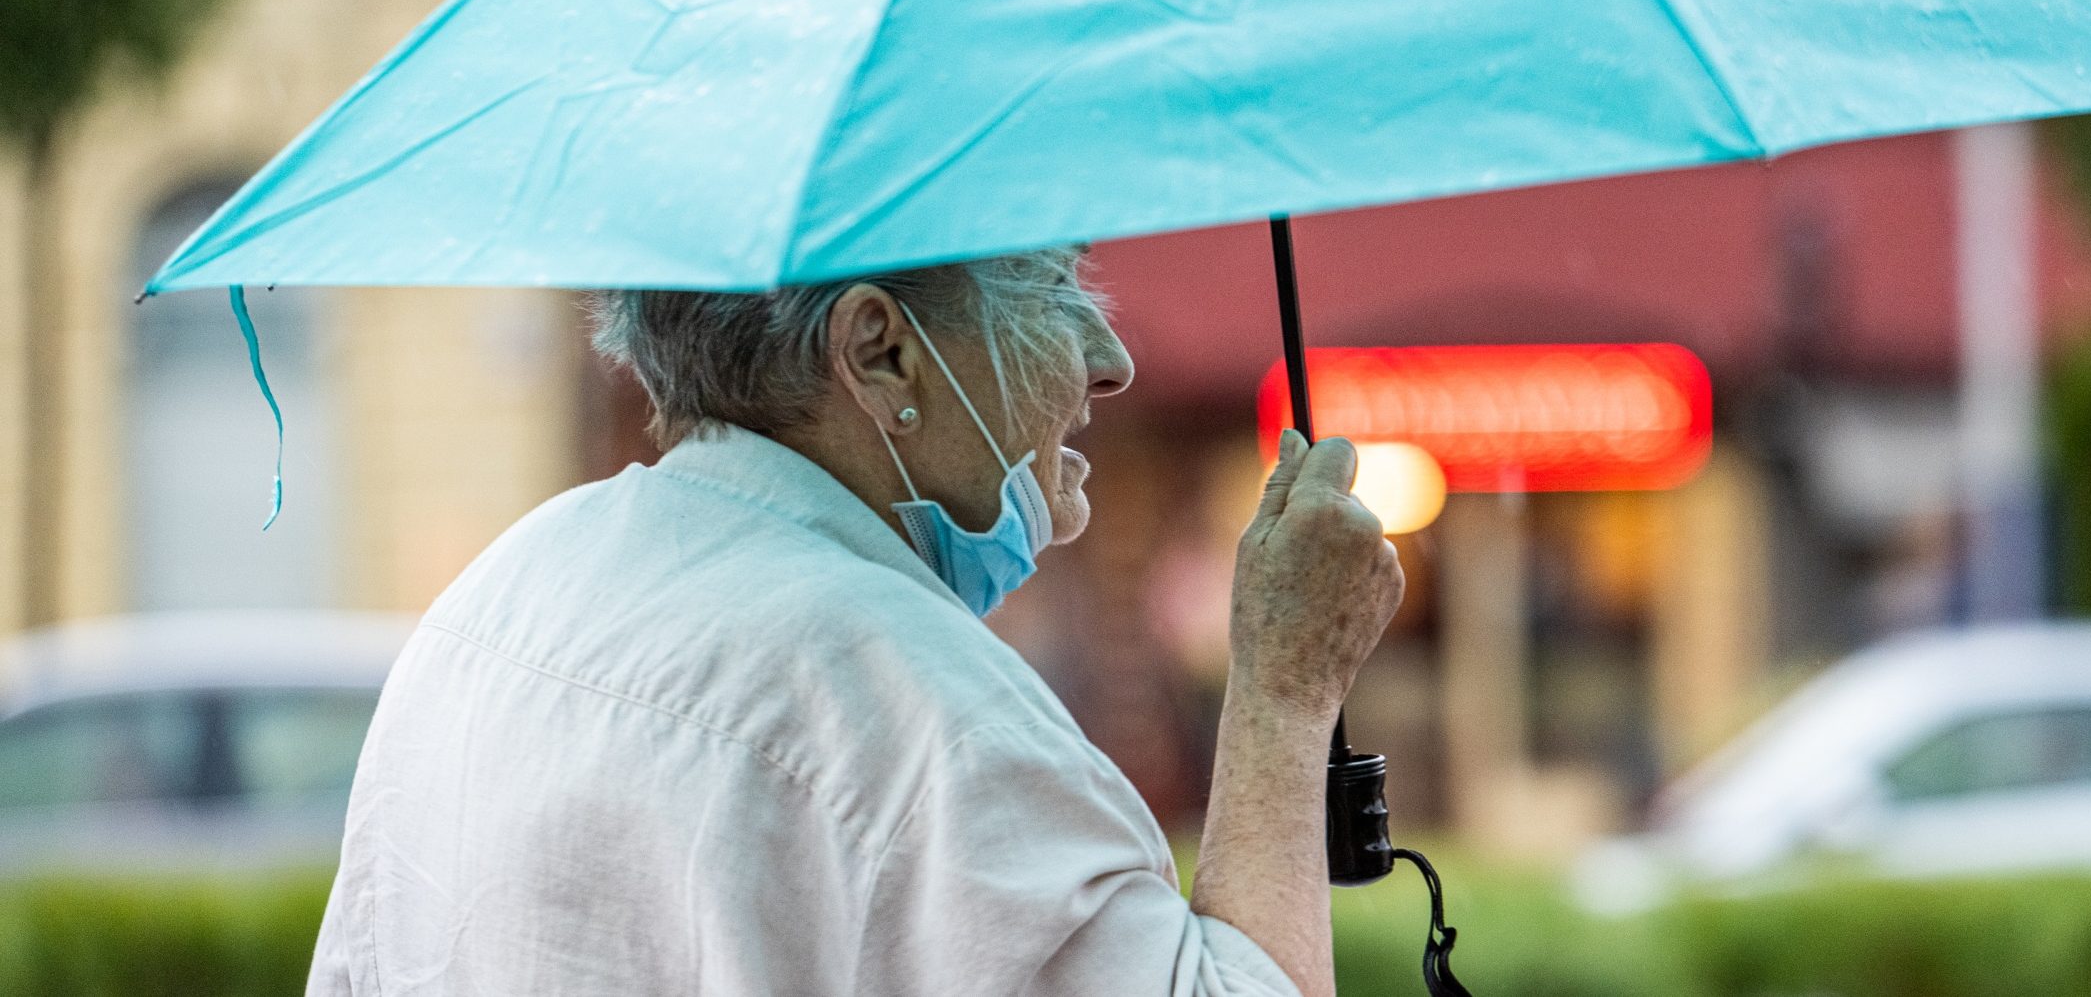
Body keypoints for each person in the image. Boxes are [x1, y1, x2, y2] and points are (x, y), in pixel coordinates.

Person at [306, 247, 1403, 997]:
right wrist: (1283, 688)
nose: (1106, 360)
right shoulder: (921, 704)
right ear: (879, 349)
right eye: (1055, 284)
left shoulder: (495, 598)